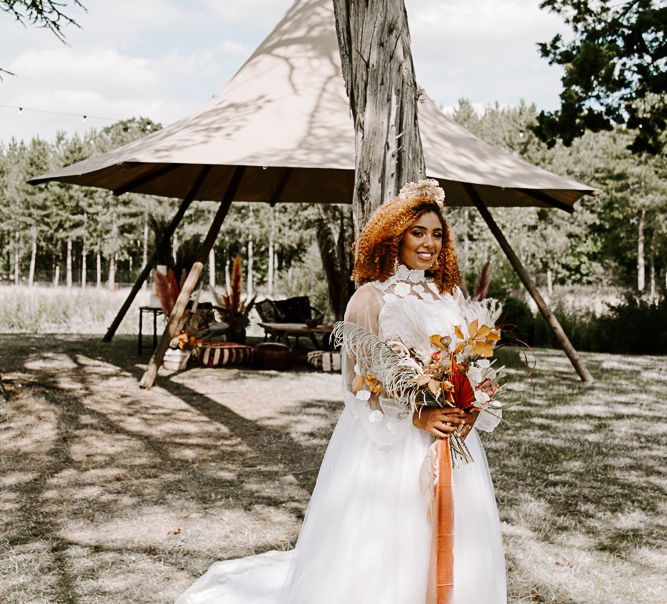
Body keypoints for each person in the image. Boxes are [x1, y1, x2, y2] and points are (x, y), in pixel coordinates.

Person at [176, 180, 506, 604]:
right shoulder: (370, 299)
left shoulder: (450, 294)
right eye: (417, 232)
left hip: (454, 438)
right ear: (394, 236)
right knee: (396, 544)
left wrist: (473, 403)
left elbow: (467, 360)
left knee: (457, 535)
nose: (429, 243)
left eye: (437, 234)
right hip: (395, 443)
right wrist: (418, 415)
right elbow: (358, 388)